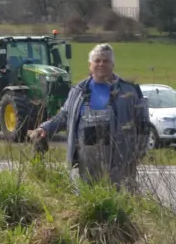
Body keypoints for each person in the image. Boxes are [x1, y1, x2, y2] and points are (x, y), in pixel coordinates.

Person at [31, 43, 151, 190]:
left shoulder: (129, 91)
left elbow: (143, 125)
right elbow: (64, 116)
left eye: (105, 61)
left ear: (113, 65)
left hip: (120, 163)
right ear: (90, 65)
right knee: (87, 198)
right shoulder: (78, 91)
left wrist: (137, 154)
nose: (101, 64)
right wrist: (45, 128)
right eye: (97, 61)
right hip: (85, 162)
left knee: (121, 198)